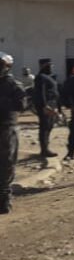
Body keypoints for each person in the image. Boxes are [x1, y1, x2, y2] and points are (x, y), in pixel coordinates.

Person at [0, 52, 26, 214]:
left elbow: (21, 105)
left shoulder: (13, 85)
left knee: (7, 163)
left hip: (6, 128)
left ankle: (4, 199)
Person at [31, 58, 60, 158]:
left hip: (51, 104)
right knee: (45, 127)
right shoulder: (41, 77)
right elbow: (41, 92)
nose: (51, 67)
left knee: (49, 126)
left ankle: (46, 148)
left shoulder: (49, 77)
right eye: (49, 65)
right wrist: (45, 106)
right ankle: (44, 150)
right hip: (46, 105)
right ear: (43, 66)